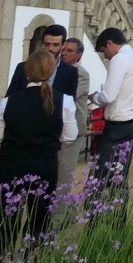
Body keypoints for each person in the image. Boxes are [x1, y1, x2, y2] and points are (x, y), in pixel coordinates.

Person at [0, 50, 76, 248]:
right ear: (51, 72)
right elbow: (70, 136)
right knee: (40, 216)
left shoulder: (8, 102)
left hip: (11, 164)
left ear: (27, 71)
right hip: (44, 163)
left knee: (8, 216)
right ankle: (33, 254)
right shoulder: (64, 101)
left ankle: (5, 253)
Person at [88, 28, 133, 224]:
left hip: (119, 126)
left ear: (109, 44)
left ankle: (93, 221)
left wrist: (94, 97)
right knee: (119, 174)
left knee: (98, 176)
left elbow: (108, 95)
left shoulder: (119, 60)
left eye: (104, 52)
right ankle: (118, 219)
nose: (106, 57)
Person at [6, 23, 78, 98]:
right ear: (42, 44)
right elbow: (10, 97)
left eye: (55, 45)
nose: (50, 48)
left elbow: (70, 102)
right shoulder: (23, 67)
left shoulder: (70, 72)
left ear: (63, 45)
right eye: (47, 44)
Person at [57, 37, 90, 189]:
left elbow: (70, 96)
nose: (64, 53)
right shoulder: (56, 69)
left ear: (79, 55)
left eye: (69, 51)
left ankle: (62, 211)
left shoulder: (81, 74)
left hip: (73, 127)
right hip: (56, 126)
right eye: (63, 50)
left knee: (65, 172)